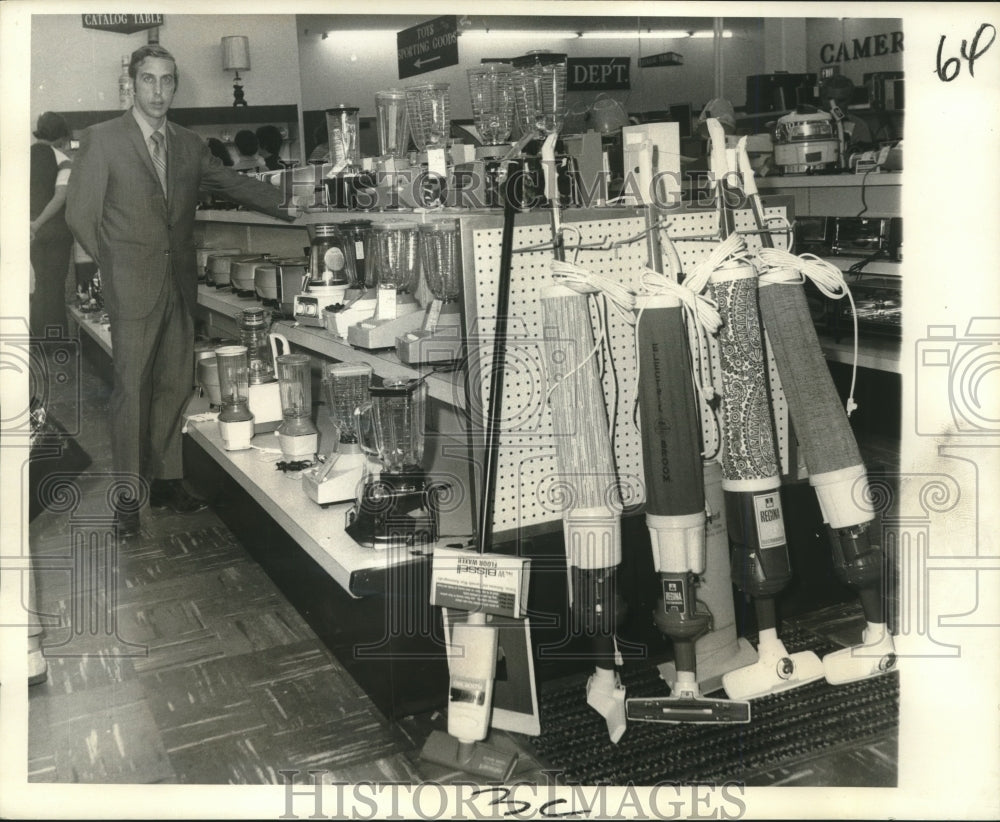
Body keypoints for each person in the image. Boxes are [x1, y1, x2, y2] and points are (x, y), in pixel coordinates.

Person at [66, 44, 297, 537]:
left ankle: (168, 480)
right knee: (132, 392)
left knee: (174, 386)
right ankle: (128, 499)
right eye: (148, 80)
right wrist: (115, 268)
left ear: (175, 85)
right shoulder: (102, 139)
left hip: (178, 285)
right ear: (131, 84)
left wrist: (294, 205)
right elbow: (80, 215)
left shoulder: (190, 144)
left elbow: (235, 184)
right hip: (132, 286)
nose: (158, 90)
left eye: (167, 80)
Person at [30, 111, 75, 337]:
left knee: (41, 286)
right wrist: (38, 223)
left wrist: (31, 225)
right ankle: (56, 344)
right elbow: (60, 197)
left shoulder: (23, 157)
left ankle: (36, 343)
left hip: (31, 235)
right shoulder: (62, 159)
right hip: (56, 233)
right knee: (55, 288)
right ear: (60, 135)